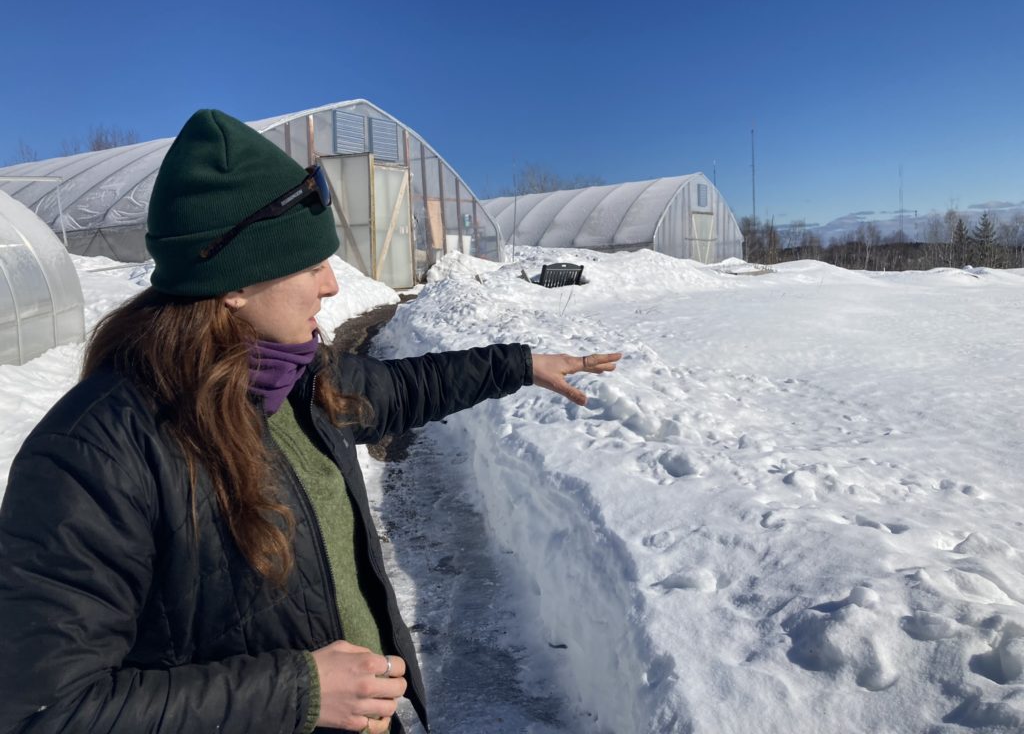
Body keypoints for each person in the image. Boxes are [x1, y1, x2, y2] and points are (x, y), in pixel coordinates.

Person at [0, 109, 620, 734]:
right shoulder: (92, 454)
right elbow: (47, 711)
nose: (330, 284)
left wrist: (518, 364)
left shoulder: (295, 380)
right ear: (233, 284)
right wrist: (300, 693)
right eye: (309, 263)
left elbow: (406, 387)